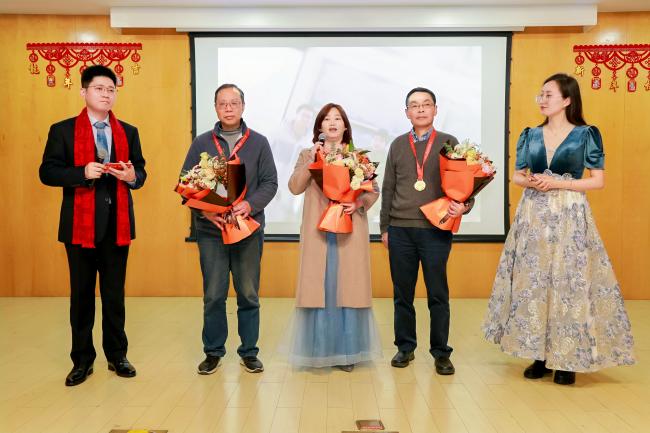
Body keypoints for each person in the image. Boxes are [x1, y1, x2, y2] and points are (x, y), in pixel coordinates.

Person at [482, 73, 635, 385]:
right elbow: (517, 176)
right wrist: (534, 181)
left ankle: (567, 358)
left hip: (569, 214)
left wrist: (558, 183)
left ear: (567, 100)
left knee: (569, 283)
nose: (542, 99)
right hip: (534, 215)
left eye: (548, 94)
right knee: (535, 282)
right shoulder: (529, 134)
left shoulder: (586, 134)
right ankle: (538, 354)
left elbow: (597, 181)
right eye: (540, 94)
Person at [39, 65, 146, 386]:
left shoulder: (128, 131)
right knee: (81, 296)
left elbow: (140, 171)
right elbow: (47, 172)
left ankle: (117, 355)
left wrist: (132, 176)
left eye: (111, 90)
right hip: (78, 227)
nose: (106, 94)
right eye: (99, 88)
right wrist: (81, 172)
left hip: (117, 226)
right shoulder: (63, 130)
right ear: (83, 92)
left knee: (114, 296)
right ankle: (82, 360)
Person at [180, 84, 278, 375]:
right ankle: (213, 352)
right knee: (213, 294)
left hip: (247, 229)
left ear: (243, 106)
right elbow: (186, 183)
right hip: (211, 231)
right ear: (215, 108)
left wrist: (250, 204)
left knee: (248, 293)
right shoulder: (201, 142)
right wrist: (205, 212)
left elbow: (270, 182)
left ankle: (249, 352)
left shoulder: (259, 142)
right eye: (222, 103)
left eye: (234, 102)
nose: (228, 108)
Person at [380, 87, 471, 375]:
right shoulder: (397, 144)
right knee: (402, 295)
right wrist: (384, 227)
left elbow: (464, 184)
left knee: (437, 294)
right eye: (414, 105)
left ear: (435, 109)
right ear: (407, 112)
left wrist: (465, 206)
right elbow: (388, 188)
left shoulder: (448, 142)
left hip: (435, 229)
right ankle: (405, 347)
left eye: (426, 104)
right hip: (400, 229)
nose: (420, 109)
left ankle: (441, 352)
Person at [286, 103, 382, 372]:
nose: (332, 123)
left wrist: (358, 203)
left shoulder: (357, 156)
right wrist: (313, 161)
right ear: (319, 127)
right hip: (319, 231)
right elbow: (294, 187)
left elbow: (373, 190)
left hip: (349, 229)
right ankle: (319, 351)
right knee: (321, 288)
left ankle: (347, 353)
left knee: (347, 288)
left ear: (345, 126)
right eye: (326, 119)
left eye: (337, 119)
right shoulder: (307, 154)